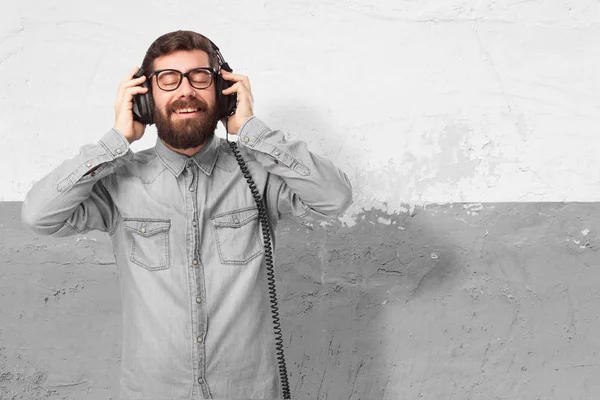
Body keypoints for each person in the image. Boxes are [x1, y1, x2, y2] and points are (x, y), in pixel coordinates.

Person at [20, 30, 352, 399]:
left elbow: (334, 198)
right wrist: (116, 140)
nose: (186, 91)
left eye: (200, 77)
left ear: (223, 91)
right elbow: (38, 216)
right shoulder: (119, 181)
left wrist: (252, 130)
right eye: (168, 80)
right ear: (145, 100)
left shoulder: (259, 172)